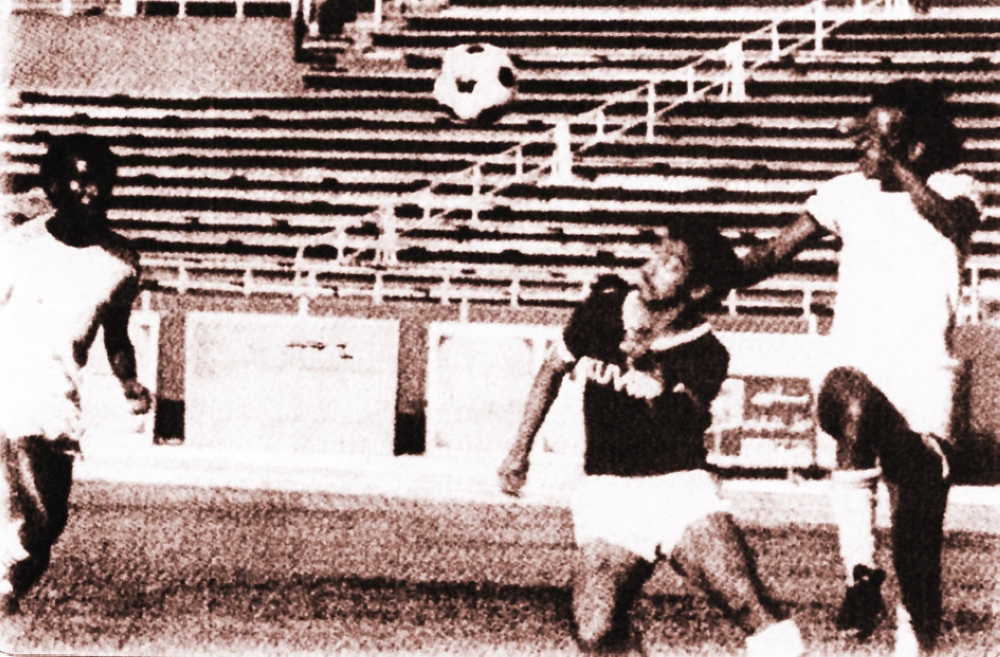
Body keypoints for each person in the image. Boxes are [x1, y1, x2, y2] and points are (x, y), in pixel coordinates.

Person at [731, 79, 982, 656]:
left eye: (875, 136)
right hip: (853, 366)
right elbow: (770, 254)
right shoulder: (844, 192)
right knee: (853, 394)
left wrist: (898, 169)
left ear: (915, 147)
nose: (860, 144)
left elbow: (953, 223)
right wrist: (707, 272)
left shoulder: (958, 186)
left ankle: (914, 643)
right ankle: (860, 574)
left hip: (925, 382)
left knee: (918, 549)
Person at [497, 220, 805, 657]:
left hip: (679, 490)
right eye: (656, 253)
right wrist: (518, 451)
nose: (651, 267)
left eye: (672, 264)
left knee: (747, 603)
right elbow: (551, 369)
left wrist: (654, 376)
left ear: (698, 289)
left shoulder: (706, 351)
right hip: (607, 490)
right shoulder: (601, 311)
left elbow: (685, 422)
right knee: (595, 630)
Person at [0, 134, 152, 616]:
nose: (92, 191)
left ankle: (5, 590)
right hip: (9, 391)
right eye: (79, 179)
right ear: (51, 185)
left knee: (48, 523)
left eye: (102, 181)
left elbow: (116, 335)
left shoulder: (120, 261)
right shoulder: (14, 247)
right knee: (24, 508)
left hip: (58, 402)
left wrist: (129, 382)